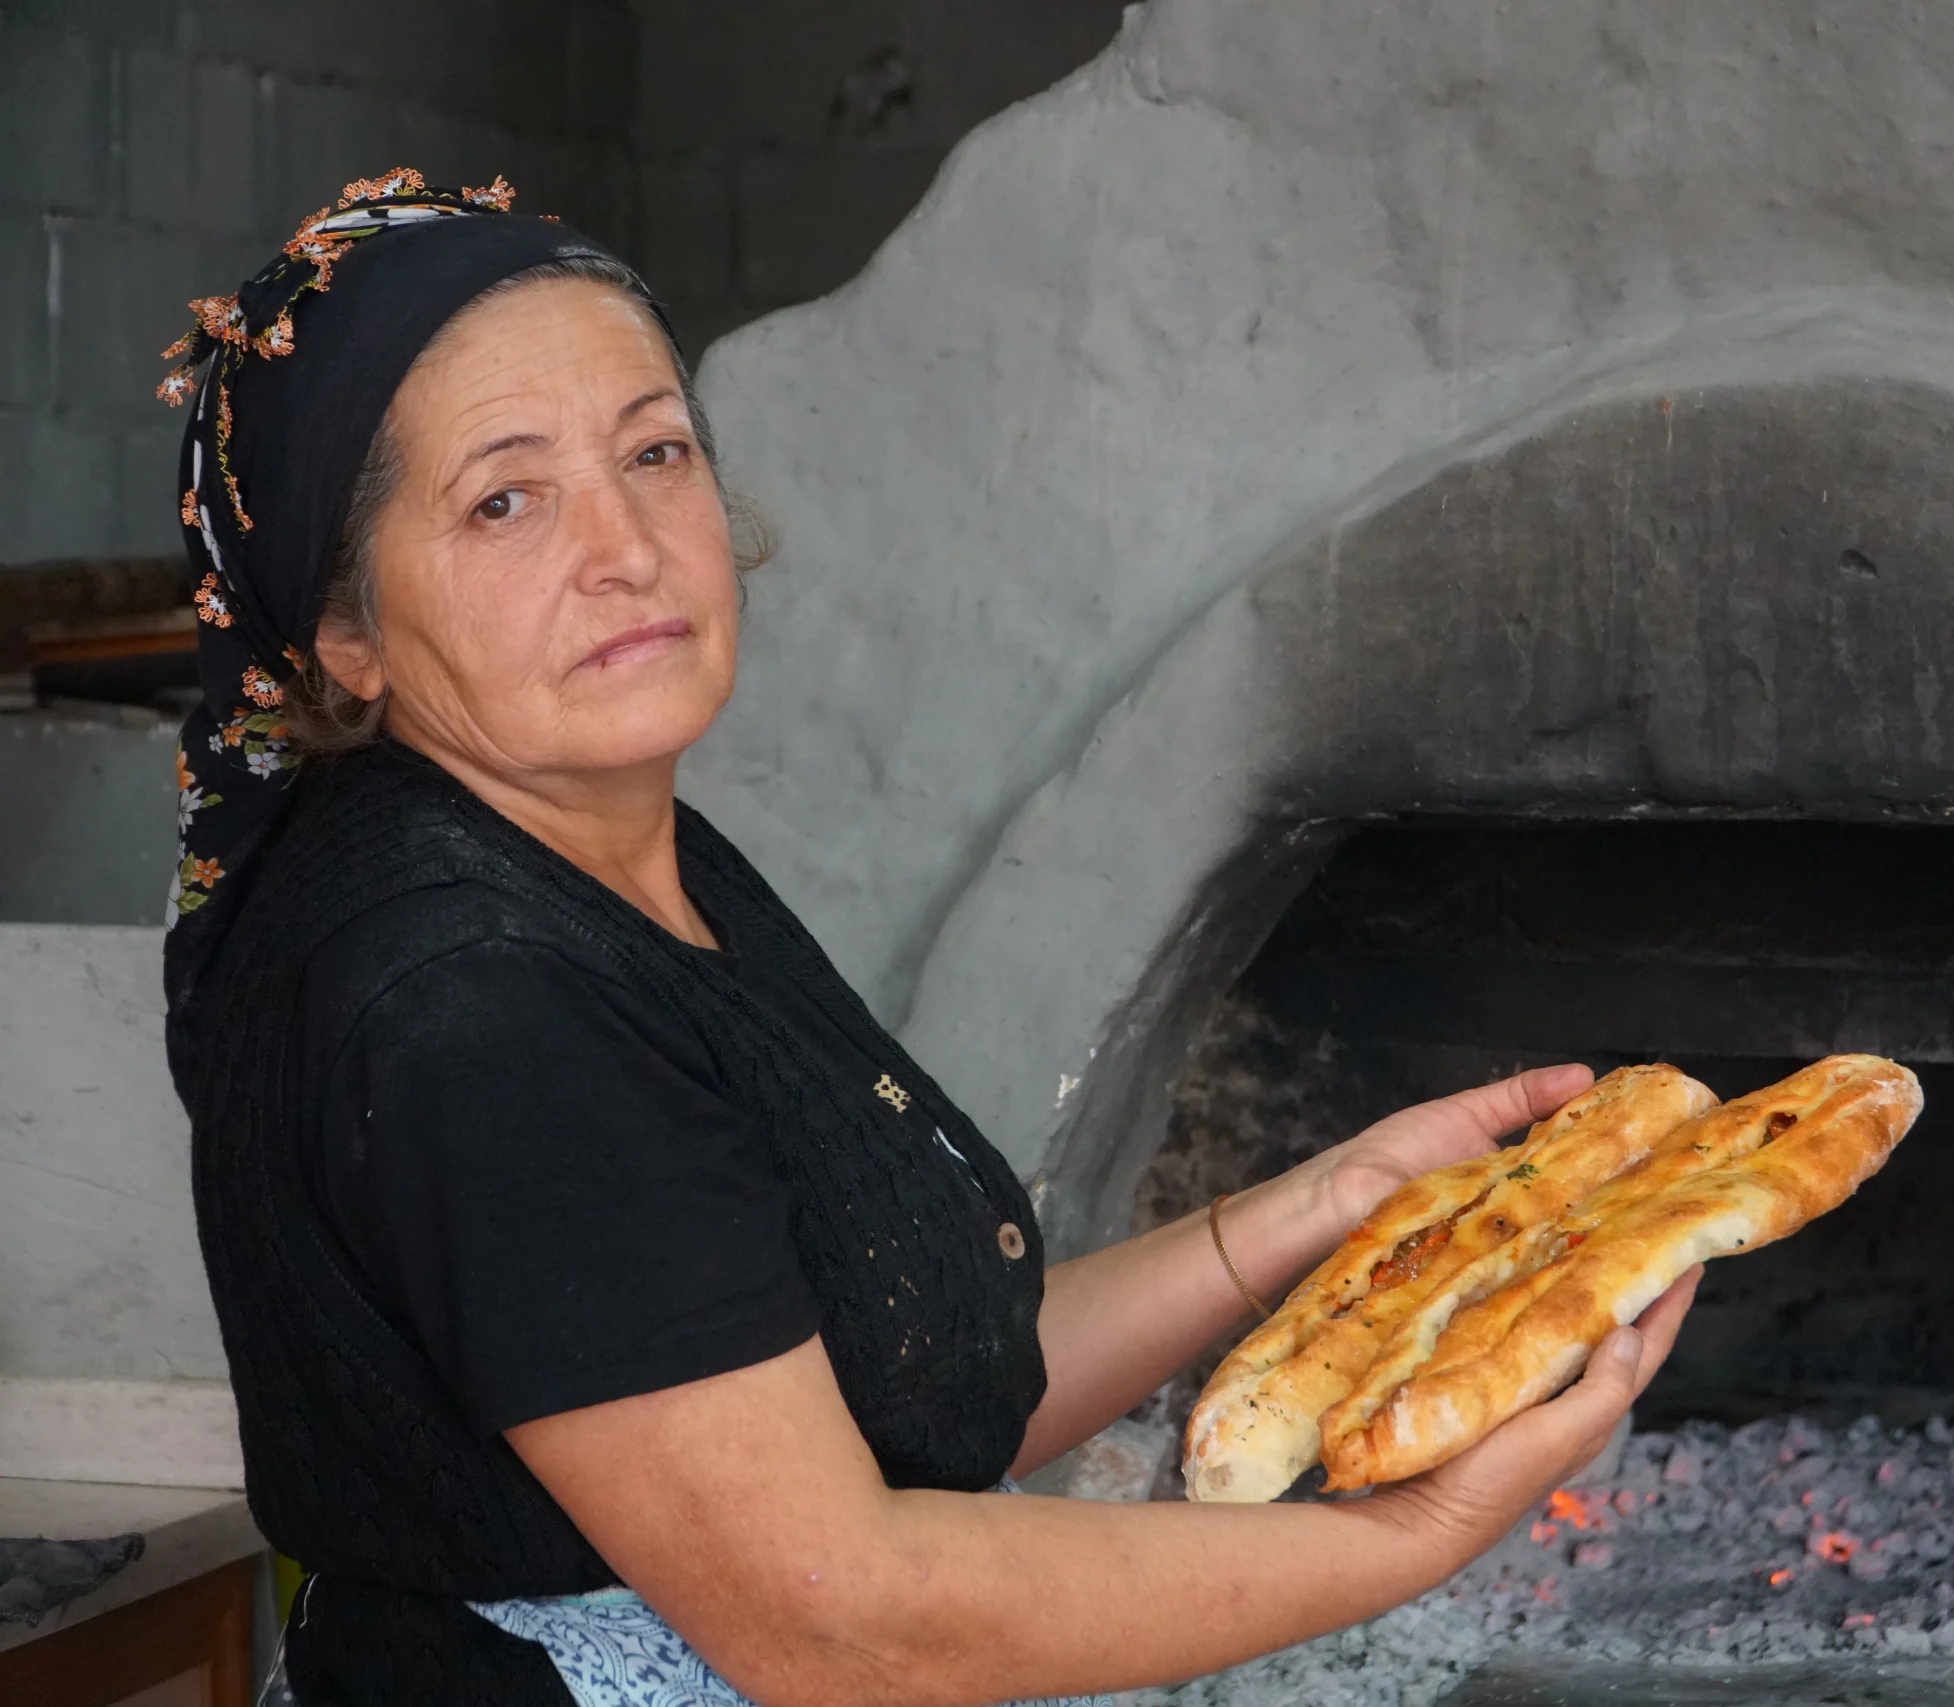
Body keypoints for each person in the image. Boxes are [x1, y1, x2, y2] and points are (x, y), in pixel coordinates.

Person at [161, 170, 1702, 1707]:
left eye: (655, 450)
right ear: (341, 633)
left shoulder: (611, 848)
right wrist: (1410, 1532)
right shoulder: (477, 1001)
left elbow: (912, 1382)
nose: (625, 543)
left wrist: (1312, 1212)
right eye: (505, 497)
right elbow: (843, 1617)